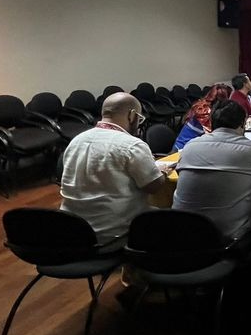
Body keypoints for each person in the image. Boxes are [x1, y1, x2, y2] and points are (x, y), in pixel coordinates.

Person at [60, 92, 169, 241]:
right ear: (132, 115)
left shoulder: (76, 141)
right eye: (139, 118)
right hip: (114, 232)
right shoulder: (132, 145)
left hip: (72, 229)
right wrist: (162, 172)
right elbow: (153, 186)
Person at [172, 100, 251, 238]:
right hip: (228, 238)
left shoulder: (189, 147)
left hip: (182, 233)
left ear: (211, 122)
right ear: (242, 124)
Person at [172, 83, 231, 151]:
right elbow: (212, 134)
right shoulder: (204, 110)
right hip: (182, 148)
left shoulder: (204, 104)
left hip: (193, 145)